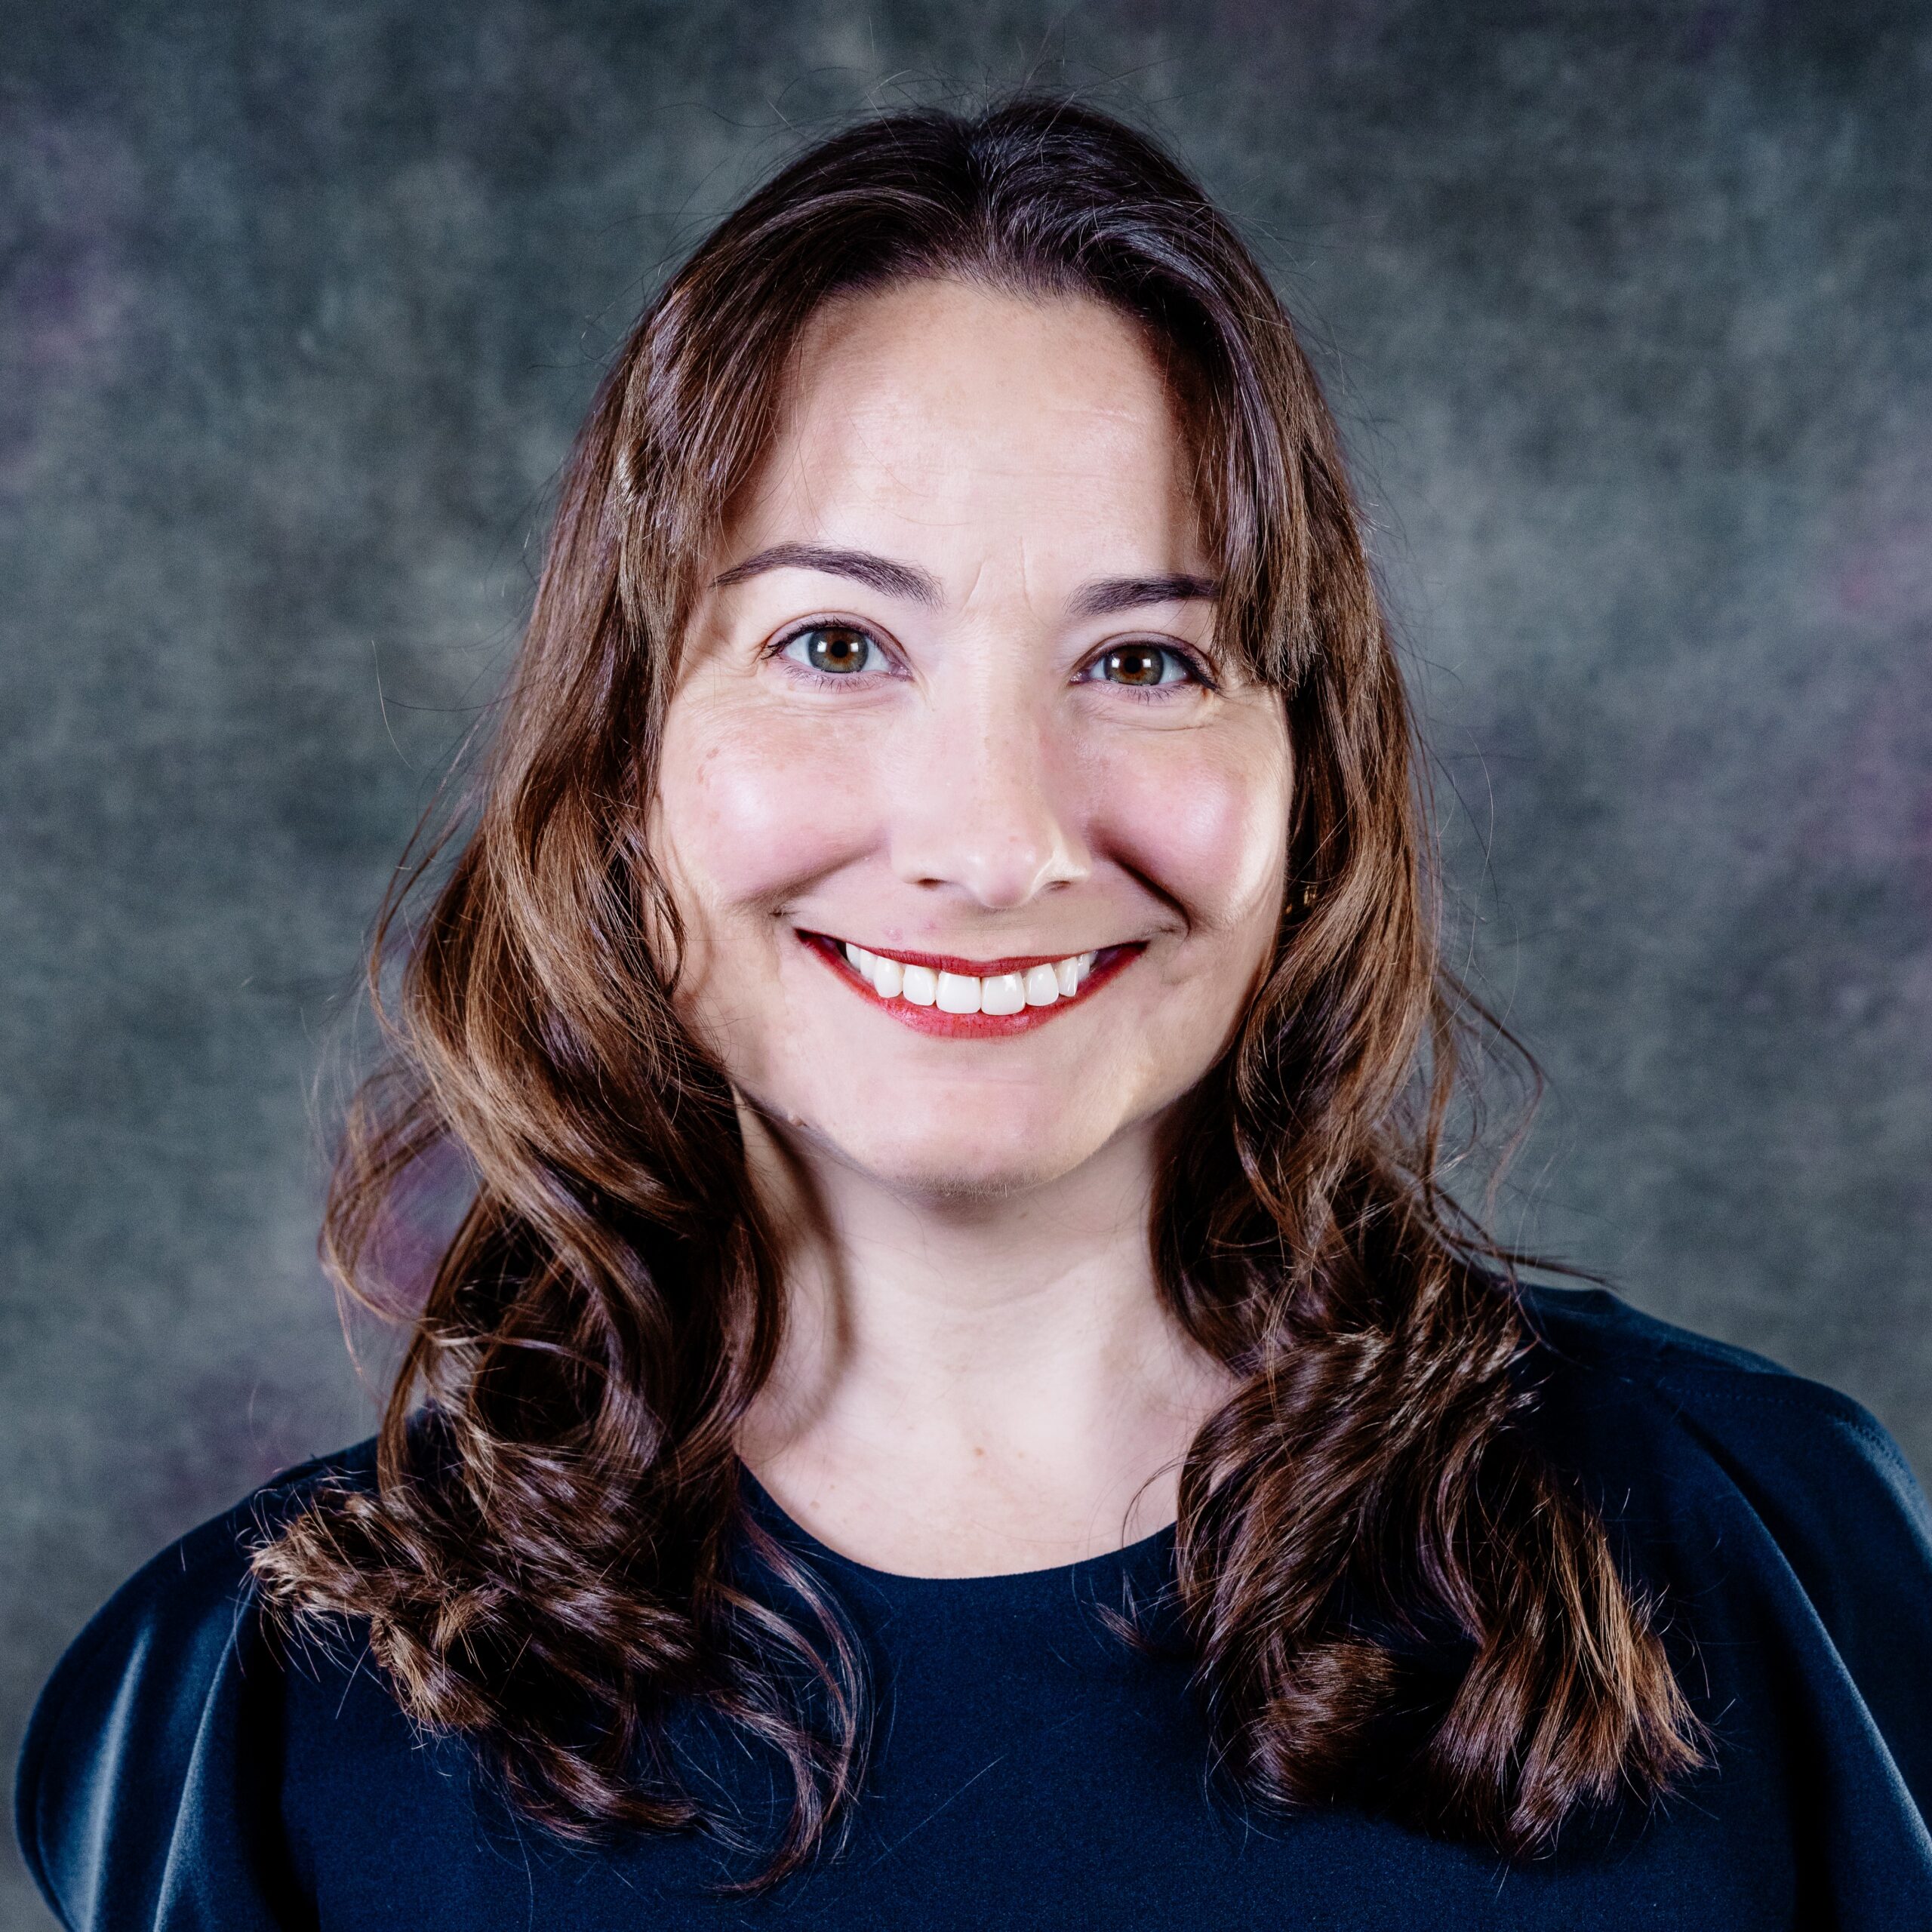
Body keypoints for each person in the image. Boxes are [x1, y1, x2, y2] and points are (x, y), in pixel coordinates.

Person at [16, 95, 1932, 1932]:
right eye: (834, 643)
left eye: (1142, 657)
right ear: (623, 760)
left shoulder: (1758, 1558)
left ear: (1307, 784)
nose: (996, 838)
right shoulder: (258, 1719)